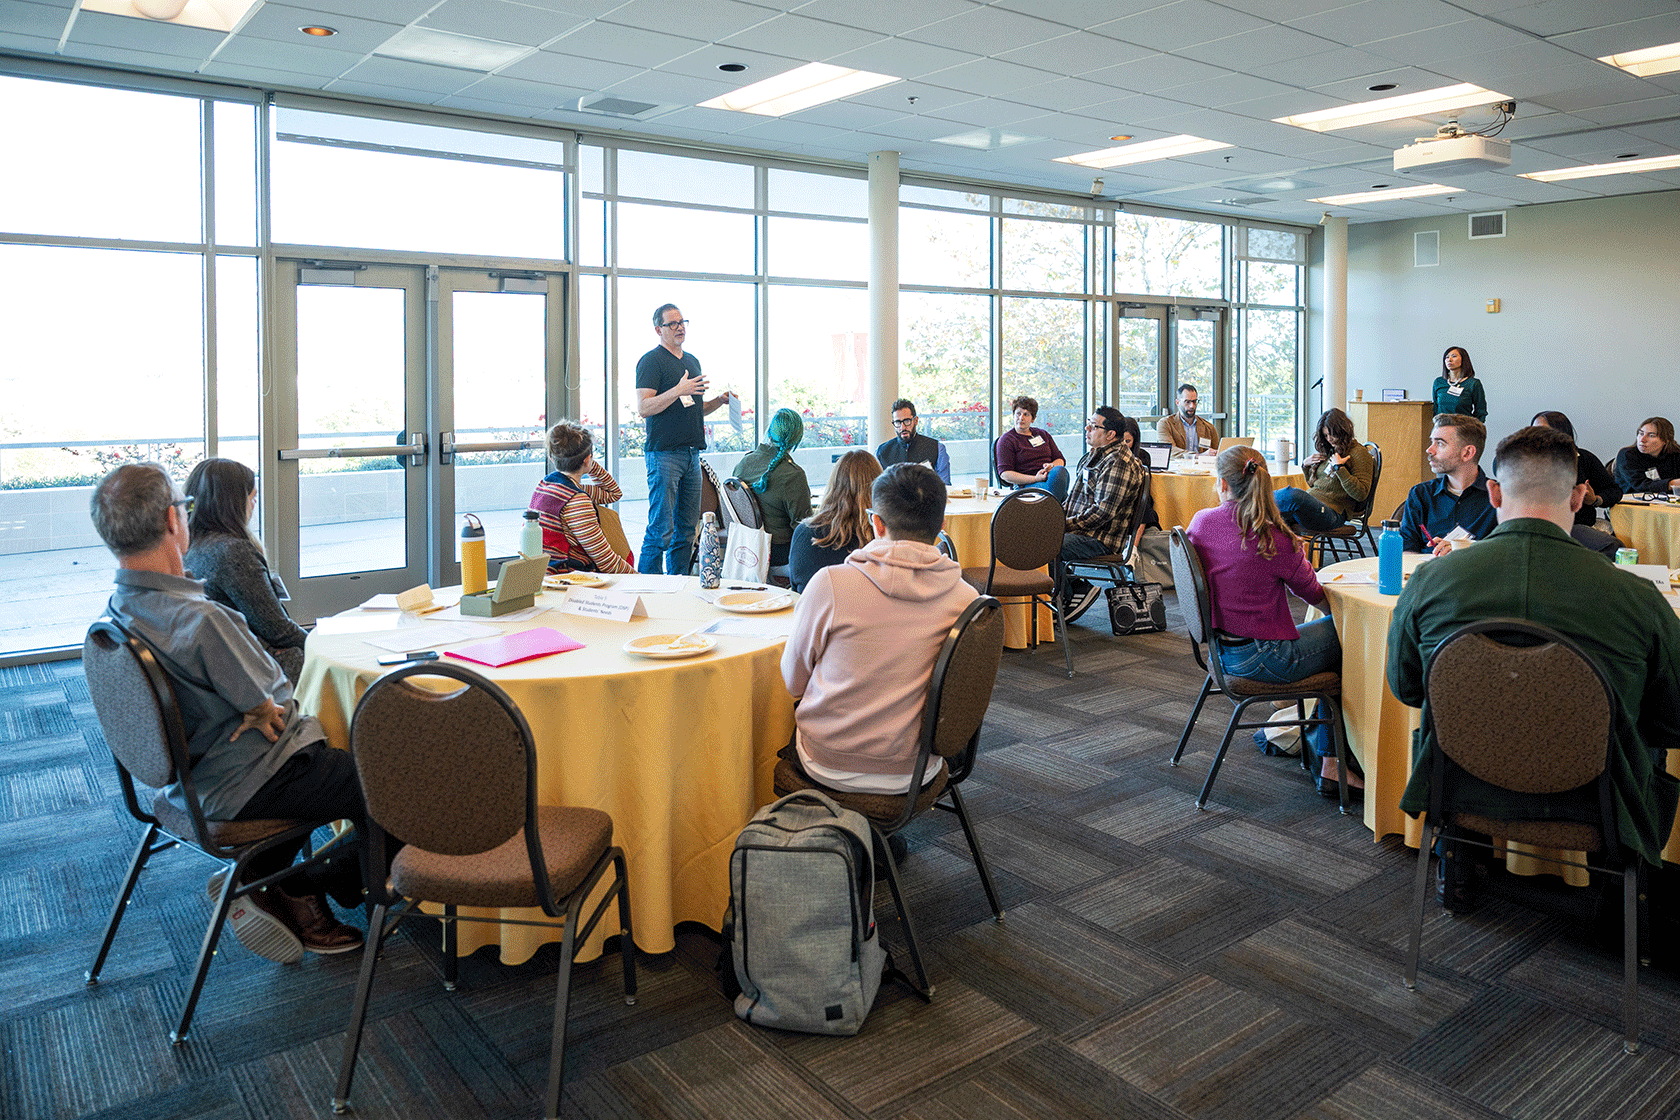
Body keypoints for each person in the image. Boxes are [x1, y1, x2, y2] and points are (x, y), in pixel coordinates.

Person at [1388, 425, 1680, 912]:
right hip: (1599, 800)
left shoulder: (1430, 582)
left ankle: (1459, 858)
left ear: (1495, 492)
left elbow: (1408, 687)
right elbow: (1672, 720)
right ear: (1581, 495)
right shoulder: (1638, 600)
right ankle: (1623, 900)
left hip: (1461, 784)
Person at [90, 463, 365, 961]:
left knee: (330, 757)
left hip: (190, 781)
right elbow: (278, 699)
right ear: (174, 521)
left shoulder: (117, 612)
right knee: (396, 781)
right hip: (250, 780)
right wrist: (263, 702)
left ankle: (267, 879)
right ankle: (297, 884)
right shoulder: (202, 621)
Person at [781, 463, 978, 793]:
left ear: (876, 523)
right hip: (919, 767)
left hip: (828, 762)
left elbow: (793, 682)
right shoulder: (967, 600)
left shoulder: (831, 585)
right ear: (942, 525)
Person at [1187, 446, 1347, 794]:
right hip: (1265, 658)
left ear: (1224, 485)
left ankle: (1297, 723)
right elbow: (1316, 596)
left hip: (1220, 650)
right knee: (1351, 637)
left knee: (1326, 635)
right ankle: (1333, 762)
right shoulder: (1274, 539)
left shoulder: (1201, 522)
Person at [183, 458, 309, 685]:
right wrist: (320, 646)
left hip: (217, 664)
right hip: (250, 668)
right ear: (233, 504)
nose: (254, 505)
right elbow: (278, 630)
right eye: (252, 498)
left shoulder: (191, 546)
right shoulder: (233, 553)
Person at [635, 304, 734, 574]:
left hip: (692, 456)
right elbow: (644, 408)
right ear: (659, 329)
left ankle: (677, 583)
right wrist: (677, 390)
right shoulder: (650, 361)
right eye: (673, 324)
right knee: (660, 529)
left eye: (683, 322)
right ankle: (647, 585)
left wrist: (719, 401)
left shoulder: (691, 361)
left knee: (687, 530)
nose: (680, 327)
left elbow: (694, 409)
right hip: (664, 455)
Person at [1059, 407, 1149, 622]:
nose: (1087, 428)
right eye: (1088, 423)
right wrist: (1050, 517)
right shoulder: (1094, 456)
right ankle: (1068, 591)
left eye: (1094, 425)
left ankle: (1073, 593)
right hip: (1085, 532)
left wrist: (1062, 525)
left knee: (1044, 542)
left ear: (1110, 435)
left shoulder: (1118, 462)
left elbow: (1103, 512)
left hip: (1101, 538)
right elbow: (1073, 500)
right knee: (1035, 533)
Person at [530, 421, 635, 575]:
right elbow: (606, 562)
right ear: (588, 459)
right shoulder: (576, 500)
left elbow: (613, 493)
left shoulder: (547, 485)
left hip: (543, 575)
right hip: (568, 580)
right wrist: (640, 578)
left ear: (551, 458)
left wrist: (585, 459)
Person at [1395, 414, 1497, 554]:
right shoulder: (1421, 494)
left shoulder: (1499, 497)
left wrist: (1466, 549)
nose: (1430, 450)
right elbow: (1406, 550)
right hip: (1428, 572)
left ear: (1467, 453)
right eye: (1432, 442)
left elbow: (1510, 553)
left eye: (1440, 443)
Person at [1530, 410, 1623, 557]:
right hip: (1537, 524)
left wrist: (1595, 500)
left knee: (1614, 547)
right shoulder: (1524, 460)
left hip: (1574, 524)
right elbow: (1499, 465)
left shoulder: (1584, 459)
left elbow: (1614, 491)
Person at [789, 450, 881, 593]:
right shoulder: (882, 539)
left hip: (813, 613)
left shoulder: (804, 533)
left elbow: (796, 587)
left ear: (833, 484)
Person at [732, 408, 812, 568]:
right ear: (796, 440)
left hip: (746, 548)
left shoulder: (744, 463)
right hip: (778, 552)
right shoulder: (793, 475)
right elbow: (803, 527)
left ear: (769, 432)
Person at [1275, 407, 1375, 534]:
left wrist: (1340, 469)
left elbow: (1361, 494)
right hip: (1316, 506)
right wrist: (1306, 466)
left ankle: (1260, 500)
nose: (1329, 439)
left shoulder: (1359, 453)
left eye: (1332, 434)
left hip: (1333, 513)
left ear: (1343, 430)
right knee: (1271, 517)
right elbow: (1314, 485)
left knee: (1294, 495)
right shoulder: (1331, 450)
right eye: (1326, 435)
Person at [994, 395, 1068, 501]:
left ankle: (1053, 508)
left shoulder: (1043, 434)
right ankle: (1057, 509)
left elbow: (1060, 460)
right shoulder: (1007, 440)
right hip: (1025, 486)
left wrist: (1051, 466)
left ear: (1033, 419)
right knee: (1061, 494)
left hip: (1048, 478)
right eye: (1018, 413)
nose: (1021, 418)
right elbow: (1005, 474)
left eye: (1026, 414)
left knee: (1060, 472)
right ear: (1013, 415)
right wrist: (1035, 479)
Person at [875, 398, 950, 484]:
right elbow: (876, 489)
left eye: (907, 421)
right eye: (898, 422)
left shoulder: (937, 448)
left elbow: (945, 487)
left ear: (916, 420)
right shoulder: (881, 452)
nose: (902, 427)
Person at [1613, 416, 1680, 496]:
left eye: (1651, 435)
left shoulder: (1676, 454)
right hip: (1632, 503)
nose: (1642, 439)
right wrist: (1672, 483)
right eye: (1641, 434)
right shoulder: (1627, 455)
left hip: (1669, 503)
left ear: (1665, 440)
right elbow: (1641, 485)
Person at [1157, 383, 1219, 455]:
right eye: (1187, 402)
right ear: (1177, 402)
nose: (1192, 406)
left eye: (1194, 401)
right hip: (1177, 465)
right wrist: (1198, 456)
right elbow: (1169, 450)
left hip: (1202, 466)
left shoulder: (1208, 427)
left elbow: (1216, 451)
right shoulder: (1166, 424)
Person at [1430, 345, 1487, 422]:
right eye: (1447, 357)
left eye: (1454, 356)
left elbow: (1481, 411)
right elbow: (1436, 409)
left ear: (1463, 360)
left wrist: (1474, 429)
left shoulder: (1473, 383)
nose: (1449, 360)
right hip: (1442, 428)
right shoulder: (1439, 382)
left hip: (1463, 429)